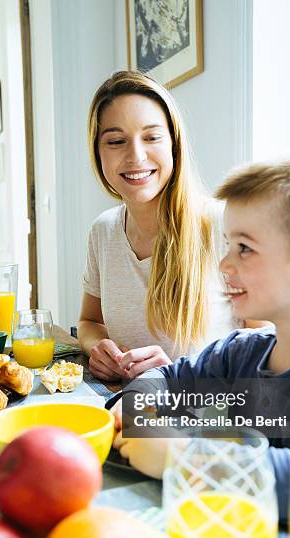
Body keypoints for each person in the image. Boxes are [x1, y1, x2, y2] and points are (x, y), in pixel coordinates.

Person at [112, 146, 290, 522]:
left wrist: (187, 459)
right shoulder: (237, 353)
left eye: (245, 248)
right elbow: (163, 378)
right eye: (228, 244)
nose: (225, 263)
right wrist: (135, 411)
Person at [78, 71, 237, 381]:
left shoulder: (224, 225)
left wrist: (178, 375)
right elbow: (89, 322)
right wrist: (98, 346)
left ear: (174, 145)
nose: (135, 156)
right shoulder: (103, 231)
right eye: (116, 141)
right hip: (126, 407)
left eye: (151, 137)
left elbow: (268, 348)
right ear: (98, 153)